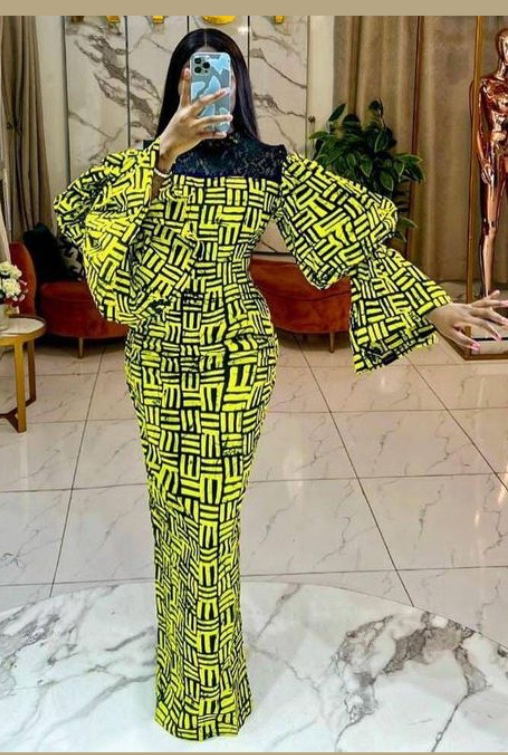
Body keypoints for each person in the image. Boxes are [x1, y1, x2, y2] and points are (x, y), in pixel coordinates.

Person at [53, 28, 508, 743]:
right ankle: (185, 674)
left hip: (234, 355)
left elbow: (356, 239)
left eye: (222, 72)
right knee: (172, 513)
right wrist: (163, 151)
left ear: (239, 84)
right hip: (160, 357)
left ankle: (207, 696)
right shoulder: (147, 162)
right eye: (194, 72)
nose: (209, 83)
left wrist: (435, 306)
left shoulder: (267, 165)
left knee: (210, 520)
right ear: (177, 84)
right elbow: (81, 219)